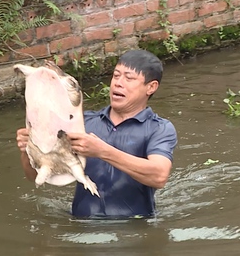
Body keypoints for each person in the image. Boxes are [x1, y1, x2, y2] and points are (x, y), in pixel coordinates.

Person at [16, 49, 177, 218]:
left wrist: (102, 151)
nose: (118, 83)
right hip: (81, 227)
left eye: (129, 78)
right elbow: (32, 175)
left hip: (135, 228)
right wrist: (30, 149)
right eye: (116, 76)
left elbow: (159, 176)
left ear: (151, 87)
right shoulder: (84, 122)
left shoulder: (159, 129)